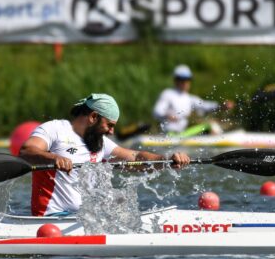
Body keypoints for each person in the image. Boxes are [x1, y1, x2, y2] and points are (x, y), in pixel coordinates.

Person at [20, 93, 190, 217]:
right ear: (93, 116)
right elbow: (27, 151)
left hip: (84, 219)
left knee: (120, 203)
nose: (112, 131)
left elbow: (136, 158)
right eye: (109, 125)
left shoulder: (100, 143)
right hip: (51, 221)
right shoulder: (55, 129)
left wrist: (167, 159)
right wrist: (55, 158)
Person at [153, 64, 233, 135]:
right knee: (209, 126)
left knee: (210, 125)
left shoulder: (190, 98)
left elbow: (205, 105)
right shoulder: (167, 94)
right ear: (176, 80)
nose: (185, 82)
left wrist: (221, 106)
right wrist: (168, 116)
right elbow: (156, 112)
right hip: (169, 134)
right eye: (182, 79)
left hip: (183, 134)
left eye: (187, 79)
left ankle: (218, 140)